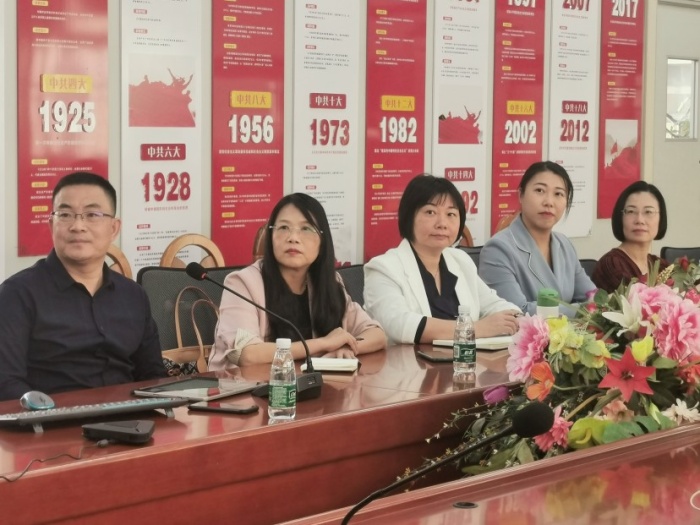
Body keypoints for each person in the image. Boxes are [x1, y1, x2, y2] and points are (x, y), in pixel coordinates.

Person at [0, 172, 165, 401]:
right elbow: (6, 383)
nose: (78, 226)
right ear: (52, 225)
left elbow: (153, 376)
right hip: (53, 419)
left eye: (92, 215)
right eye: (65, 215)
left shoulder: (133, 295)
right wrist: (48, 412)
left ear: (114, 228)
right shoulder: (17, 294)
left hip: (131, 417)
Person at [209, 193, 386, 368]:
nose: (293, 238)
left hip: (315, 384)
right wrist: (324, 344)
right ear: (271, 236)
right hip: (248, 385)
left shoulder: (328, 282)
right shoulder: (242, 283)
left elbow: (376, 334)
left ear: (322, 241)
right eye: (283, 227)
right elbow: (247, 355)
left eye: (306, 229)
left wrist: (347, 346)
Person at [363, 174, 521, 345]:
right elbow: (401, 325)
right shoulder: (383, 268)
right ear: (409, 217)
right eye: (430, 212)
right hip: (410, 361)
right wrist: (475, 328)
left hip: (464, 360)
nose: (442, 223)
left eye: (451, 214)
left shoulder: (460, 260)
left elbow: (495, 305)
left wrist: (516, 317)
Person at [479, 161, 596, 315]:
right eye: (540, 190)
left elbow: (593, 297)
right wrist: (585, 311)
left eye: (558, 194)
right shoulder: (497, 249)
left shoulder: (564, 245)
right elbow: (516, 312)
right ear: (520, 195)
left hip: (567, 330)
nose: (549, 202)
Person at [592, 181, 669, 292]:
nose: (640, 220)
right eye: (631, 211)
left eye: (648, 212)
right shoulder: (611, 265)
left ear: (661, 218)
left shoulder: (661, 266)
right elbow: (637, 300)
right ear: (620, 217)